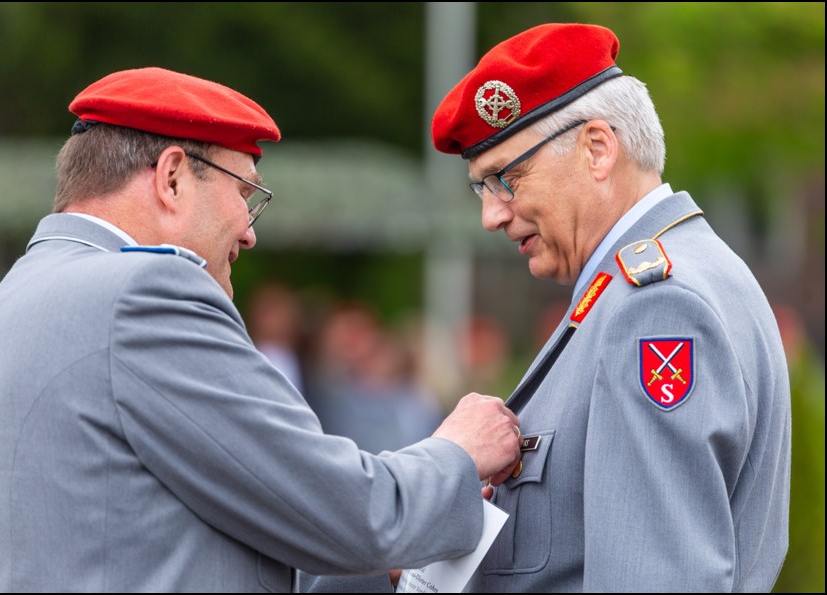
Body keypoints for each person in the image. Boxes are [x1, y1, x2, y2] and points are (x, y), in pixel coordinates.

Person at [0, 67, 523, 592]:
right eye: (246, 193)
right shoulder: (144, 291)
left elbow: (157, 540)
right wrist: (457, 453)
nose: (249, 232)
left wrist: (376, 565)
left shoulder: (12, 304)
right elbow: (348, 514)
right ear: (171, 177)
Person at [308, 22, 792, 593]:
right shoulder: (657, 282)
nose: (491, 214)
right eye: (481, 188)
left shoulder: (656, 307)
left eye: (506, 179)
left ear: (597, 149)